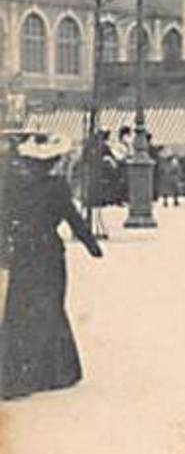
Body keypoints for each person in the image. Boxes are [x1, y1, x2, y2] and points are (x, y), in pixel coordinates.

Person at [0, 134, 103, 401]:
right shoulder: (56, 187)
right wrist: (92, 245)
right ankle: (54, 372)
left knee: (20, 308)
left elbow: (4, 219)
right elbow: (72, 217)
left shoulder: (14, 186)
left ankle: (15, 373)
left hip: (23, 253)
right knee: (50, 306)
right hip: (48, 252)